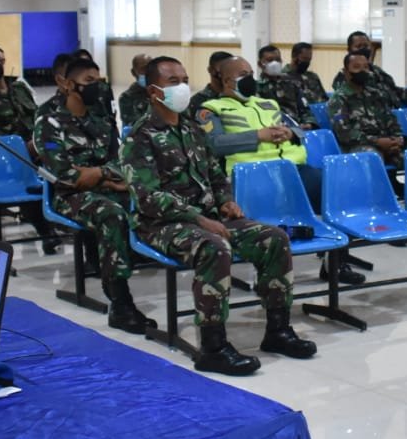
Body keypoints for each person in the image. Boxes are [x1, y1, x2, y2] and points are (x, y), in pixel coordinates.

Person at [124, 57, 316, 375]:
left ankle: (278, 331)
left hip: (209, 217)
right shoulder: (139, 137)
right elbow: (148, 198)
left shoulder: (191, 129)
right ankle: (213, 348)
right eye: (173, 82)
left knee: (274, 239)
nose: (183, 87)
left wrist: (226, 201)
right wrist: (199, 219)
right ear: (153, 91)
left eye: (185, 80)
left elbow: (215, 174)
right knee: (214, 247)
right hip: (162, 224)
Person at [199, 55, 365, 286]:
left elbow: (300, 131)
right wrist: (258, 136)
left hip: (293, 170)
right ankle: (267, 271)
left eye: (251, 74)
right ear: (227, 81)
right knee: (265, 216)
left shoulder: (267, 103)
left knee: (336, 192)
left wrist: (290, 133)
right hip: (252, 176)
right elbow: (214, 143)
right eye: (243, 75)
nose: (250, 79)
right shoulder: (211, 109)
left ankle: (336, 264)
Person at [36, 56, 156, 334]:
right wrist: (104, 175)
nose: (96, 86)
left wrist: (99, 174)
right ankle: (120, 302)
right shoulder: (49, 122)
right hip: (68, 197)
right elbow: (64, 175)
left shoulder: (100, 121)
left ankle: (148, 256)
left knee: (150, 199)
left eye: (99, 80)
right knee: (111, 214)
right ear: (68, 84)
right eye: (88, 81)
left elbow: (121, 162)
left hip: (105, 189)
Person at [0, 48, 60, 253]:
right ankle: (47, 232)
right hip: (10, 158)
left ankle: (66, 219)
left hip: (39, 146)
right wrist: (24, 148)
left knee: (68, 155)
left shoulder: (20, 88)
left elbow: (38, 117)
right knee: (26, 175)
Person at [328, 51, 407, 167]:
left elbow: (391, 120)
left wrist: (396, 140)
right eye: (356, 67)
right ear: (346, 72)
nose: (362, 71)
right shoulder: (338, 99)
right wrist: (377, 142)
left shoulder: (376, 94)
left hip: (386, 143)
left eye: (365, 67)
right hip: (357, 146)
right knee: (372, 158)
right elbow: (344, 133)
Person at [331, 31, 407, 107]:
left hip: (390, 115)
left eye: (366, 46)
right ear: (349, 50)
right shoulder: (345, 76)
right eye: (358, 46)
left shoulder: (377, 71)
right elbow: (349, 100)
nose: (363, 49)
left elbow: (394, 90)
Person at [255, 43, 318, 129]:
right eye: (270, 60)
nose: (275, 63)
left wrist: (308, 123)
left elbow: (305, 109)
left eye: (278, 59)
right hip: (272, 129)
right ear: (260, 64)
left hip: (298, 128)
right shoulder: (256, 88)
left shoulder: (292, 83)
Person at [186, 51, 234, 115]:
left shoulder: (239, 97)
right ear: (210, 70)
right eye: (222, 69)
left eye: (230, 70)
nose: (227, 73)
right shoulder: (197, 102)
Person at [118, 52, 154, 129]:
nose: (148, 72)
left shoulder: (161, 91)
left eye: (152, 68)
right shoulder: (127, 97)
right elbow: (135, 125)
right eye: (144, 69)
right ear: (134, 72)